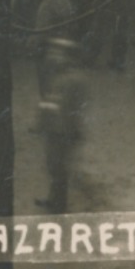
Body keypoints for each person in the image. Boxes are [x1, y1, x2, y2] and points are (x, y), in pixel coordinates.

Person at [36, 38, 90, 214]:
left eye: (57, 53)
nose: (53, 56)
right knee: (53, 165)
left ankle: (58, 203)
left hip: (62, 131)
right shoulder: (62, 75)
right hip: (55, 129)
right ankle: (54, 198)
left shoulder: (72, 79)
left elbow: (67, 108)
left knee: (58, 167)